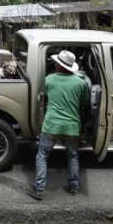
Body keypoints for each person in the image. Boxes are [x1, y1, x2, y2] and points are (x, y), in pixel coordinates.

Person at [26, 50, 90, 201]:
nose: (54, 64)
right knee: (73, 157)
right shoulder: (81, 83)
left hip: (51, 126)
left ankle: (38, 189)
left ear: (59, 65)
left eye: (56, 63)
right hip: (72, 128)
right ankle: (74, 187)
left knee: (42, 156)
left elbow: (45, 98)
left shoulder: (49, 79)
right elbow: (84, 104)